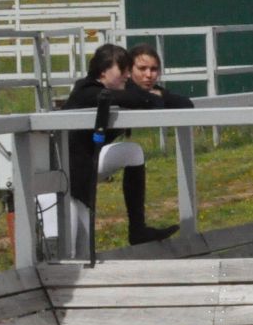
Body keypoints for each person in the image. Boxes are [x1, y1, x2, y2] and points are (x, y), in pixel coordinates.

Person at [56, 43, 179, 252]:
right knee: (68, 248)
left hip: (81, 176)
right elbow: (139, 100)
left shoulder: (115, 90)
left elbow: (182, 103)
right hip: (60, 177)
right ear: (103, 71)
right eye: (122, 71)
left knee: (133, 152)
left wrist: (156, 97)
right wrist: (154, 97)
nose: (126, 76)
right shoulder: (88, 90)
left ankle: (137, 229)